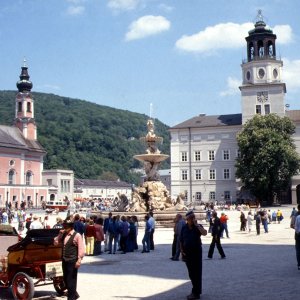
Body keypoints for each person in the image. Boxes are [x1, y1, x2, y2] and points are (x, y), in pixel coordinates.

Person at [54, 218, 85, 300]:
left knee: (72, 280)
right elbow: (55, 243)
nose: (64, 228)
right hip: (64, 260)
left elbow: (81, 249)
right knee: (65, 279)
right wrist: (59, 235)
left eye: (66, 226)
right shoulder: (63, 234)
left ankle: (71, 298)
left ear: (71, 227)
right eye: (64, 226)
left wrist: (79, 260)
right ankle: (74, 294)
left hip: (72, 260)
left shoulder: (77, 235)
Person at [180, 210, 207, 300]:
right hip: (187, 253)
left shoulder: (198, 227)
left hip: (196, 252)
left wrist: (197, 226)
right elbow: (181, 240)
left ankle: (196, 292)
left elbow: (204, 233)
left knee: (197, 273)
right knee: (191, 273)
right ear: (187, 219)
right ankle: (195, 291)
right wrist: (181, 251)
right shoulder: (184, 227)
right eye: (191, 218)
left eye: (194, 217)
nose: (193, 219)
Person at [290, 204, 300, 270]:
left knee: (298, 250)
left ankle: (299, 264)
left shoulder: (295, 216)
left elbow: (291, 225)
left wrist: (297, 230)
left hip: (298, 235)